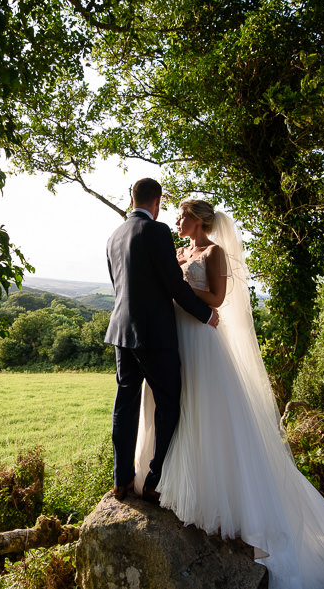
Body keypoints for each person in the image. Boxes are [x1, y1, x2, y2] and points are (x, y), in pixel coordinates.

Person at [133, 199, 324, 589]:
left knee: (206, 411)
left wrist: (183, 288)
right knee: (176, 407)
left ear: (201, 221)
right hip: (175, 336)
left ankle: (217, 500)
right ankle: (170, 480)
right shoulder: (180, 251)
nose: (178, 220)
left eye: (184, 215)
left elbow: (218, 299)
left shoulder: (215, 252)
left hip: (202, 338)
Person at [104, 179, 219, 503]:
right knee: (168, 404)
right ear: (156, 202)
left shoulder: (114, 235)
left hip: (121, 333)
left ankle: (121, 480)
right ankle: (154, 480)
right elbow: (173, 284)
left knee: (125, 405)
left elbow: (119, 286)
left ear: (132, 199)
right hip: (155, 334)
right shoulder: (156, 231)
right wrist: (205, 314)